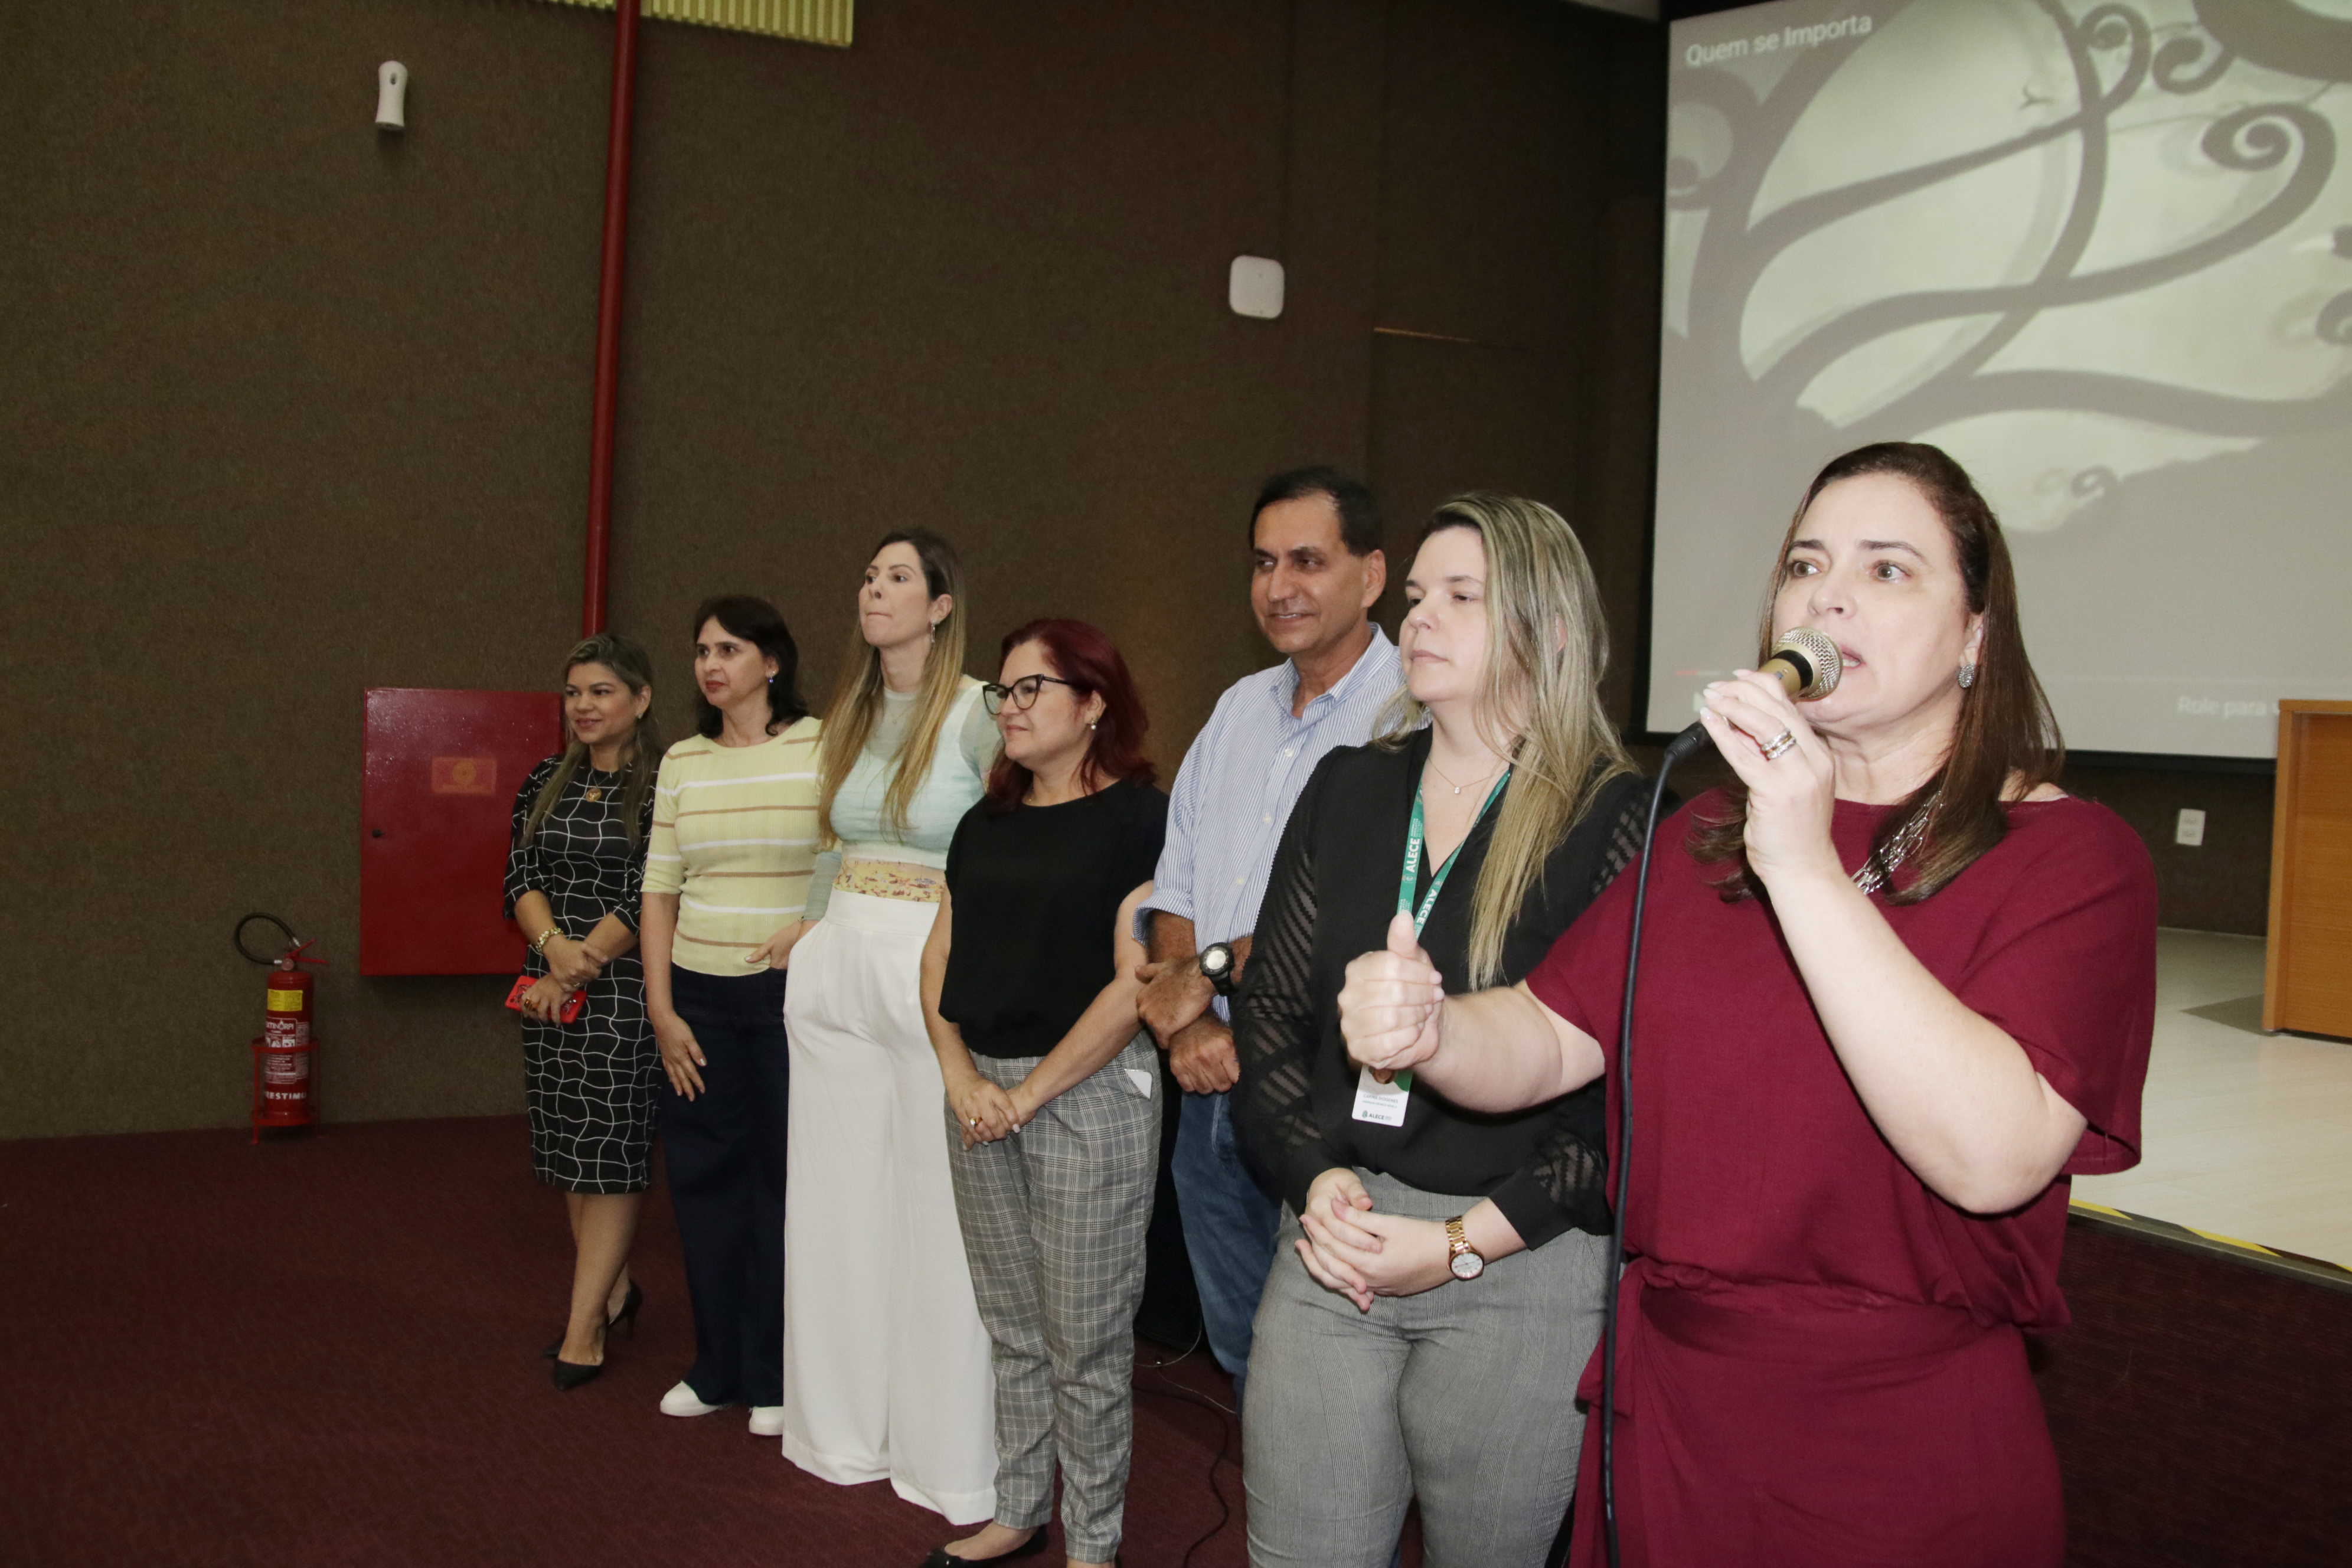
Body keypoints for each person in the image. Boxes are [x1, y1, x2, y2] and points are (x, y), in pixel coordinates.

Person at [1338, 442, 2159, 1568]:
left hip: (1894, 1446)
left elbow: (1991, 1158)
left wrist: (1805, 865)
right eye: (1804, 566)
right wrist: (1433, 1029)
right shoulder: (1700, 840)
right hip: (1672, 1422)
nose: (1826, 596)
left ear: (1975, 635)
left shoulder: (2068, 859)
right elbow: (1542, 1037)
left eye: (1885, 569)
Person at [1235, 495, 1651, 1566]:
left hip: (1521, 1258)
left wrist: (1463, 1242)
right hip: (1336, 1237)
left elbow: (1625, 1099)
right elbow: (1271, 1011)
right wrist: (1316, 1180)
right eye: (1417, 594)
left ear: (1550, 630)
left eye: (1462, 596)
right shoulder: (1350, 786)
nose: (1420, 616)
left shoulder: (1613, 816)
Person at [1133, 466, 1393, 1407]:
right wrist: (1191, 1022)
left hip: (1338, 1068)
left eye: (1307, 561)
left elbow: (1352, 911)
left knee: (1340, 1338)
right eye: (1263, 562)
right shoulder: (1237, 708)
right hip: (1211, 1066)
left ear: (1371, 575)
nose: (1279, 586)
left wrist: (1203, 976)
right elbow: (1179, 882)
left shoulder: (1413, 713)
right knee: (1245, 1342)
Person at [919, 619, 1168, 1568]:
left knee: (1085, 1342)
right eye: (1003, 692)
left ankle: (1093, 1546)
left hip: (1087, 1095)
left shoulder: (1141, 821)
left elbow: (1135, 983)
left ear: (1094, 703)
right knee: (1014, 1328)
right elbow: (938, 958)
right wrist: (961, 1076)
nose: (1010, 708)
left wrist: (1025, 1097)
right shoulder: (984, 824)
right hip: (981, 1093)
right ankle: (1019, 1511)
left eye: (1032, 689)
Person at [780, 531, 999, 1524]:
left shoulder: (980, 712)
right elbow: (833, 841)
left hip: (931, 962)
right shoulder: (851, 711)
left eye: (897, 577)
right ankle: (842, 1432)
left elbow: (1012, 837)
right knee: (836, 1208)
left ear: (941, 606)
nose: (874, 590)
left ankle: (943, 1453)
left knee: (937, 1212)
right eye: (869, 576)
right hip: (840, 964)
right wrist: (810, 927)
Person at [639, 596, 821, 1434]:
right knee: (704, 1179)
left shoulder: (823, 745)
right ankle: (716, 1366)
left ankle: (775, 1374)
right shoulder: (682, 759)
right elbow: (659, 890)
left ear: (771, 662)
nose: (711, 664)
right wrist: (662, 1009)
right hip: (699, 998)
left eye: (729, 649)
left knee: (782, 1180)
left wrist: (811, 926)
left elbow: (847, 855)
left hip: (791, 995)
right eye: (701, 650)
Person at [502, 632, 661, 1391]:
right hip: (549, 984)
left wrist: (581, 964)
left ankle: (583, 1327)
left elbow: (651, 888)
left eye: (601, 691)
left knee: (611, 1156)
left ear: (641, 699)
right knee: (571, 1149)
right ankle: (613, 1292)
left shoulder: (662, 784)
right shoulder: (546, 777)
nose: (584, 706)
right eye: (573, 693)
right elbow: (520, 873)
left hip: (624, 990)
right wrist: (554, 953)